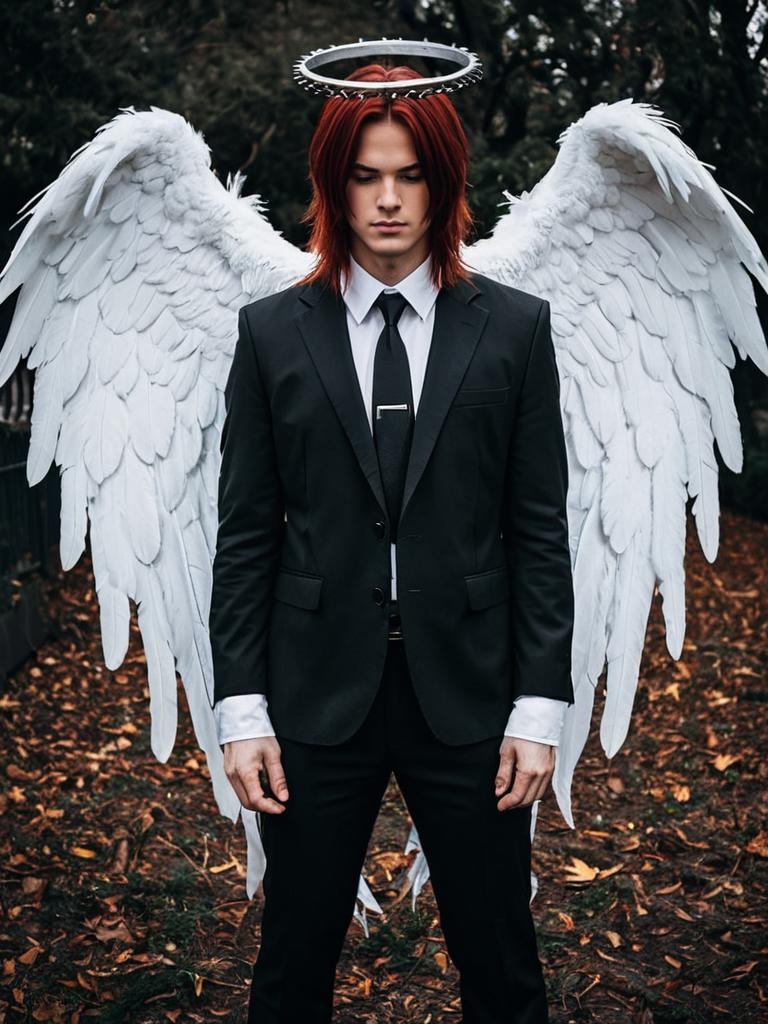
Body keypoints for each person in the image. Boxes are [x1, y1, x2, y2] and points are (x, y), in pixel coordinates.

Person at [208, 62, 575, 1024]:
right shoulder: (270, 335)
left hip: (473, 701)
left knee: (502, 968)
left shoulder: (515, 331)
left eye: (410, 174)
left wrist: (538, 706)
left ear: (444, 183)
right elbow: (246, 533)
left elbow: (538, 529)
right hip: (314, 700)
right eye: (366, 176)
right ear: (334, 186)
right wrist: (242, 707)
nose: (387, 199)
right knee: (291, 972)